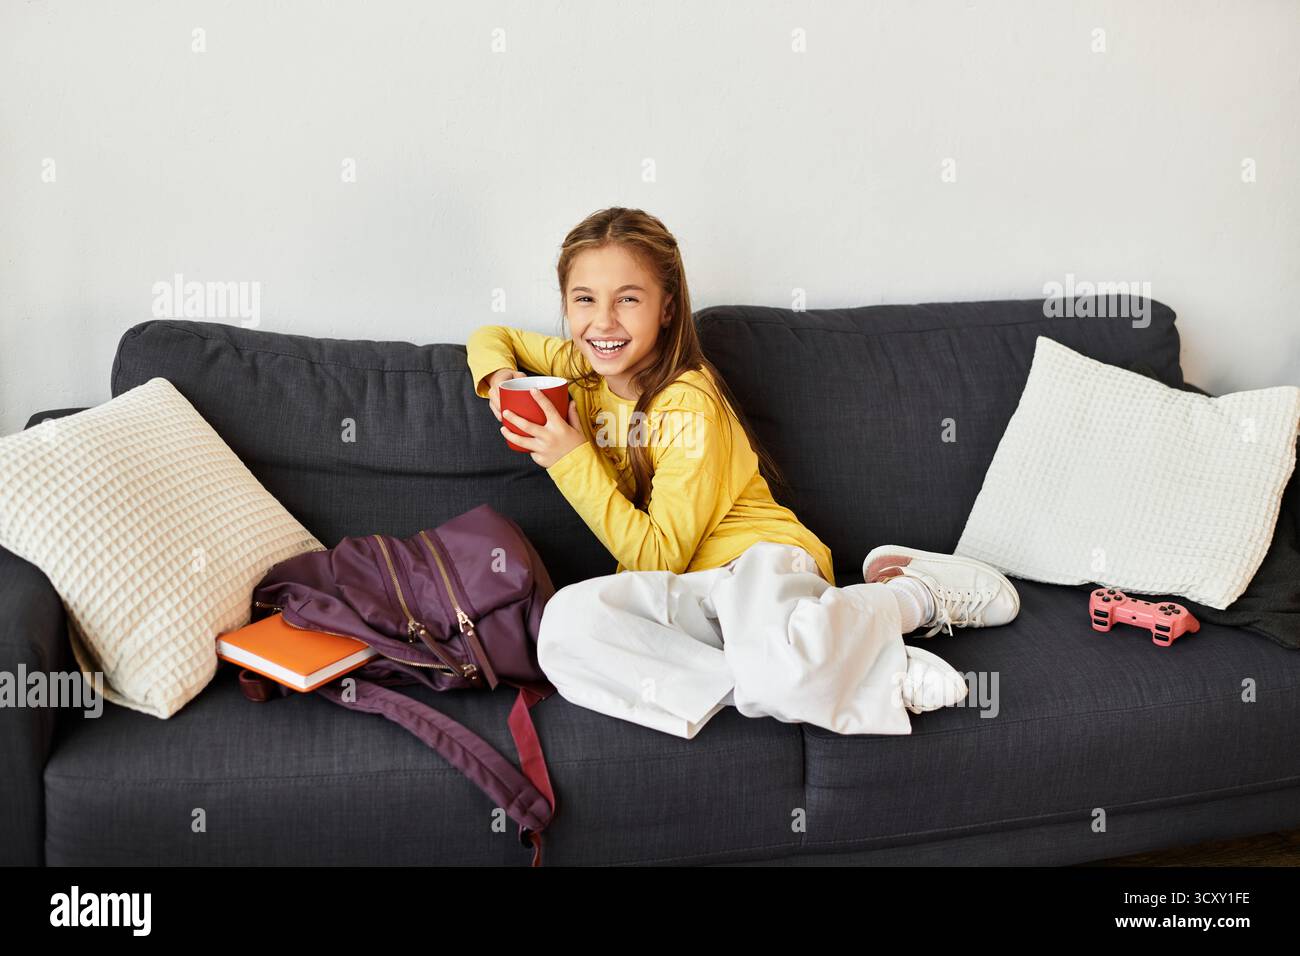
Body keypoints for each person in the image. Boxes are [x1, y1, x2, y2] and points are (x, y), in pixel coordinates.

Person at [465, 206, 1019, 739]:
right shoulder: (582, 368)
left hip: (758, 564)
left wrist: (571, 458)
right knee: (564, 629)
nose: (603, 321)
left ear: (666, 306)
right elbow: (492, 336)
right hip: (692, 598)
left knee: (768, 649)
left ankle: (910, 599)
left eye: (628, 299)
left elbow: (659, 555)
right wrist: (499, 380)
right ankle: (836, 662)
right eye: (584, 299)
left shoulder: (687, 402)